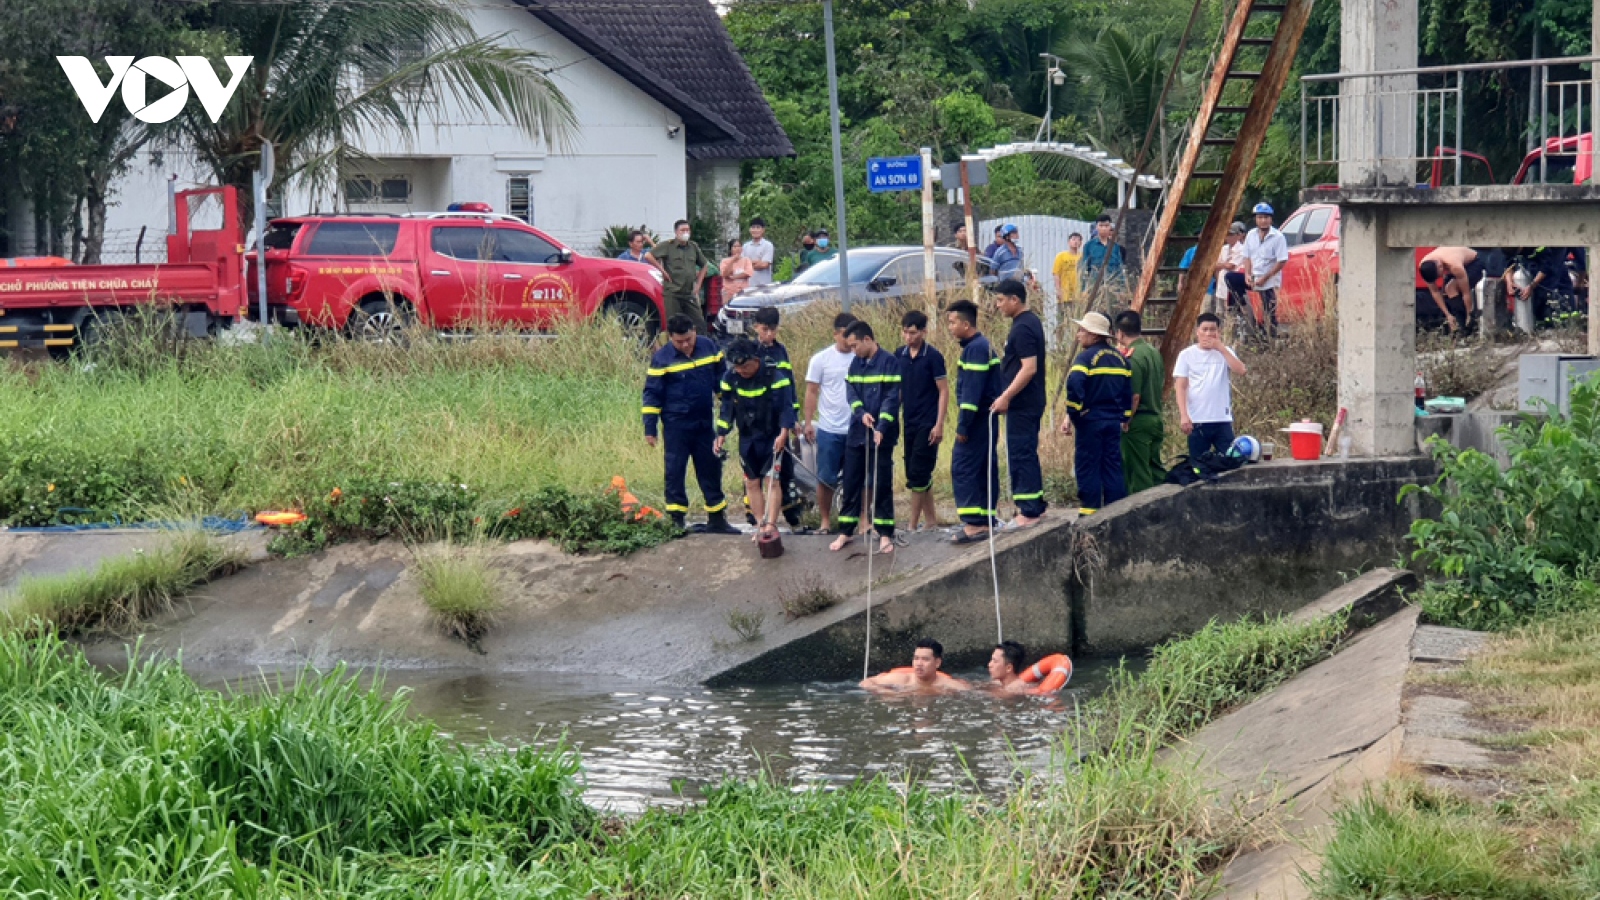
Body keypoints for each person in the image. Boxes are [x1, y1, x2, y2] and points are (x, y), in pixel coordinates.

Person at [642, 315, 737, 534]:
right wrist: (650, 428)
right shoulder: (662, 359)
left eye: (689, 339)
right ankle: (676, 521)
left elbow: (722, 383)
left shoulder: (709, 348)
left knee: (711, 468)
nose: (685, 345)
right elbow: (652, 395)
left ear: (695, 331)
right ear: (671, 338)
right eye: (679, 342)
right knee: (675, 471)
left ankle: (717, 519)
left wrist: (731, 410)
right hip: (676, 425)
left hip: (704, 422)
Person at [714, 339, 796, 540]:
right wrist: (721, 434)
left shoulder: (775, 376)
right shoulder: (731, 378)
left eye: (745, 366)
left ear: (756, 359)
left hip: (771, 436)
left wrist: (784, 434)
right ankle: (760, 524)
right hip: (748, 437)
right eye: (737, 367)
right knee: (751, 482)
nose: (741, 370)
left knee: (772, 481)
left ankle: (771, 524)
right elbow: (727, 409)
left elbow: (786, 408)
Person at [832, 321, 901, 555]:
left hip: (883, 434)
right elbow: (851, 392)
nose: (853, 351)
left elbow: (892, 397)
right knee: (851, 481)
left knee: (882, 482)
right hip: (858, 432)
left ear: (868, 340)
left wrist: (881, 425)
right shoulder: (855, 363)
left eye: (855, 346)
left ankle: (884, 533)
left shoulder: (889, 362)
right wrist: (861, 414)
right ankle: (846, 530)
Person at [1059, 311, 1131, 516]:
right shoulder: (1120, 359)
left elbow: (1074, 385)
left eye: (1082, 330)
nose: (1078, 335)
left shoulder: (1085, 359)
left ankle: (1089, 514)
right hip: (1113, 423)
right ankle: (1115, 513)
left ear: (1094, 335)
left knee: (1088, 466)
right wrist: (1124, 416)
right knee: (1112, 467)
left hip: (1091, 422)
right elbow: (1128, 393)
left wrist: (1075, 414)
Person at [990, 279, 1048, 529]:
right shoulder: (1027, 323)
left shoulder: (1023, 327)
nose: (998, 305)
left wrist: (1006, 396)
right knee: (1025, 452)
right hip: (1026, 402)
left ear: (1015, 299)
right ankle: (1035, 503)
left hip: (1023, 403)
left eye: (1001, 300)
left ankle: (1029, 511)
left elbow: (1029, 368)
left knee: (1020, 453)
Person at [947, 299, 1002, 545]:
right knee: (983, 467)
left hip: (978, 420)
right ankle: (985, 519)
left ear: (966, 324)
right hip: (985, 419)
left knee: (965, 467)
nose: (950, 327)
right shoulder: (979, 346)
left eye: (952, 322)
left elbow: (971, 393)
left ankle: (974, 523)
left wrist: (963, 425)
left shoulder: (976, 349)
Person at [894, 310, 949, 532]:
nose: (909, 337)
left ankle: (912, 525)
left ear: (924, 332)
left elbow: (944, 391)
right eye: (905, 333)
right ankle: (931, 521)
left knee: (918, 473)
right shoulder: (900, 355)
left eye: (913, 333)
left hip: (928, 422)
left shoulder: (933, 357)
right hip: (909, 420)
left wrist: (939, 424)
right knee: (917, 472)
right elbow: (898, 389)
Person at [752, 306, 805, 530]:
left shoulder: (781, 351)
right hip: (757, 423)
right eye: (765, 330)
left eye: (773, 330)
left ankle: (793, 517)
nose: (769, 335)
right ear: (756, 327)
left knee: (785, 472)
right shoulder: (750, 352)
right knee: (757, 475)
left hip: (780, 420)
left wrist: (793, 419)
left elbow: (789, 387)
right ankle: (757, 519)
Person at [804, 313, 858, 533]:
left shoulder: (861, 357)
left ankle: (859, 520)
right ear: (836, 334)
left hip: (856, 427)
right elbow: (811, 391)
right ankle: (826, 520)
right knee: (826, 478)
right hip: (829, 428)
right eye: (845, 334)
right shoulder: (821, 359)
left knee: (858, 478)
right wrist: (808, 422)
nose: (848, 339)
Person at [1174, 312, 1247, 458]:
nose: (1208, 333)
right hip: (1198, 419)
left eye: (1212, 330)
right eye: (1204, 329)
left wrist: (1221, 348)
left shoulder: (1226, 352)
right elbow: (1180, 386)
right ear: (1197, 332)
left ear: (1218, 332)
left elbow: (1241, 370)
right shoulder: (1186, 355)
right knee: (1199, 463)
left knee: (1230, 460)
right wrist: (1184, 415)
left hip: (1222, 419)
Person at [1114, 310, 1166, 493]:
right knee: (1155, 469)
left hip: (1138, 420)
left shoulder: (1133, 358)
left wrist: (1126, 419)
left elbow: (1134, 396)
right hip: (1156, 416)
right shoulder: (1152, 352)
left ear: (1120, 333)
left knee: (1138, 473)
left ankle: (1142, 516)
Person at [1241, 202, 1289, 338]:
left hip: (1269, 280)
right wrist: (1247, 274)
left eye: (1266, 217)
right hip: (1254, 277)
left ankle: (1270, 338)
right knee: (1231, 278)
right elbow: (1246, 256)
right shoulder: (1251, 235)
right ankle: (1242, 310)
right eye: (1260, 217)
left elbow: (1282, 261)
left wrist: (1265, 278)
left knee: (1269, 309)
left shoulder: (1278, 237)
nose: (1263, 220)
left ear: (1271, 219)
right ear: (1256, 219)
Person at [652, 220, 708, 333]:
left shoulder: (693, 246)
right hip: (673, 292)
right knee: (675, 325)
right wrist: (662, 270)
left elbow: (704, 265)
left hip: (688, 293)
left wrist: (698, 285)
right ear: (676, 232)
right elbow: (649, 255)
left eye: (687, 230)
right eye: (682, 230)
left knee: (699, 324)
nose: (685, 233)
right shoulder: (668, 245)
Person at [860, 638, 971, 694]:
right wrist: (887, 692)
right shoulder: (902, 679)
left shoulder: (948, 685)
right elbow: (865, 683)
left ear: (937, 663)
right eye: (916, 658)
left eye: (925, 659)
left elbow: (970, 693)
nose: (919, 664)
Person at [1417, 247, 1481, 333]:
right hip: (1453, 266)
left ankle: (1468, 323)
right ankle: (1458, 324)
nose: (1441, 276)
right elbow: (1435, 292)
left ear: (1440, 267)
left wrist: (1469, 314)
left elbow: (1466, 293)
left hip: (1474, 263)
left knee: (1450, 288)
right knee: (1447, 292)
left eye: (1440, 275)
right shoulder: (1424, 267)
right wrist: (1448, 315)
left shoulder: (1454, 264)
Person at [1079, 215, 1126, 306]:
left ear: (1110, 227)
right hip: (1094, 286)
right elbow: (1084, 269)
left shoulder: (1115, 247)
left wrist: (1122, 289)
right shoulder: (1089, 246)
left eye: (1106, 226)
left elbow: (1119, 269)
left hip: (1113, 287)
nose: (1104, 228)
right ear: (1097, 227)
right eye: (1101, 226)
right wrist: (1084, 290)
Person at [1216, 222, 1249, 316]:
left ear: (1238, 235)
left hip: (1233, 286)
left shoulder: (1242, 249)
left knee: (1232, 313)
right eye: (1227, 234)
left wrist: (1222, 264)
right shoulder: (1223, 249)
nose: (1228, 237)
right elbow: (1215, 265)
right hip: (1221, 285)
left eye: (1231, 234)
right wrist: (1224, 264)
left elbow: (1231, 266)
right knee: (1220, 314)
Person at [1053, 232, 1084, 310]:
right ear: (1069, 242)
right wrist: (1058, 290)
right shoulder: (1061, 256)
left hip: (1078, 296)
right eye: (1073, 239)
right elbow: (1056, 274)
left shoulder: (1083, 257)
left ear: (1080, 243)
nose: (1076, 242)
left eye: (1078, 240)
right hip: (1064, 294)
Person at [719, 239, 754, 306]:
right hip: (728, 291)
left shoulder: (746, 260)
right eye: (735, 247)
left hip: (743, 292)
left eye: (739, 246)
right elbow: (725, 274)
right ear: (730, 249)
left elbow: (748, 273)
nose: (737, 248)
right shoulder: (725, 261)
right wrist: (732, 260)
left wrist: (734, 277)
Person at [743, 218, 775, 287]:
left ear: (763, 230)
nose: (755, 230)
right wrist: (757, 262)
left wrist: (748, 263)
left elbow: (764, 265)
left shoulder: (768, 245)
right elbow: (742, 265)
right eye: (753, 227)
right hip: (748, 285)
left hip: (764, 286)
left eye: (758, 227)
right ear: (750, 230)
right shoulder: (745, 246)